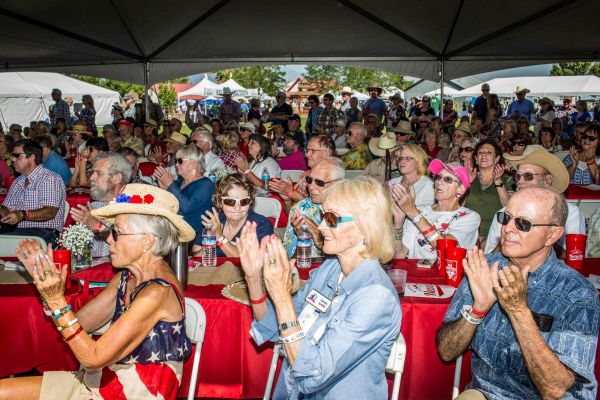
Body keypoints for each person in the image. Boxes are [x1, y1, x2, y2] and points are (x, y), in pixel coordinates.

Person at [0, 184, 195, 399]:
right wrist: (50, 294)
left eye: (116, 232)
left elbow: (93, 358)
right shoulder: (126, 277)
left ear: (147, 242)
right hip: (100, 382)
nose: (109, 239)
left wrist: (57, 301)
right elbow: (81, 324)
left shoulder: (157, 293)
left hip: (132, 392)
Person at [240, 176, 401, 398]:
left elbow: (312, 374)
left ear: (366, 226)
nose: (321, 226)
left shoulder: (375, 296)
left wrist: (282, 296)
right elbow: (275, 327)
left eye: (331, 218)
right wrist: (253, 278)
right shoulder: (331, 269)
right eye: (323, 216)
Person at [437, 186, 598, 400]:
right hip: (485, 394)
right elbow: (446, 352)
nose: (508, 229)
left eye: (523, 223)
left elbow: (556, 390)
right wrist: (478, 309)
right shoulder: (485, 269)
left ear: (552, 235)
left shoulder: (576, 293)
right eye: (506, 218)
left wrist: (518, 310)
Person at [485, 145, 585, 255]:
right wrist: (506, 240)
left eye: (528, 176)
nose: (520, 181)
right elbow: (489, 258)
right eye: (518, 176)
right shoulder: (503, 215)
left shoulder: (570, 212)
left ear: (548, 180)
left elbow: (573, 255)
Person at [390, 160, 480, 261]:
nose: (439, 182)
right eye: (438, 177)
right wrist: (398, 222)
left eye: (447, 179)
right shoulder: (420, 210)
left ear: (461, 189)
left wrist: (415, 214)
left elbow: (447, 249)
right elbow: (399, 256)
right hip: (416, 274)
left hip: (446, 275)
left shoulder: (470, 217)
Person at [0, 140, 66, 244]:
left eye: (17, 155)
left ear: (32, 157)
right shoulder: (18, 181)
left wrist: (22, 215)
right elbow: (6, 207)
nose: (12, 159)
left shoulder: (49, 178)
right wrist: (5, 213)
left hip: (45, 232)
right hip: (19, 230)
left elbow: (50, 212)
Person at [193, 173, 273, 257]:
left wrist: (219, 238)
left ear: (250, 202)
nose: (237, 208)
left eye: (244, 201)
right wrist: (209, 243)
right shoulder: (213, 221)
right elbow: (195, 256)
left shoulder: (261, 224)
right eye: (230, 201)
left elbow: (251, 260)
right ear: (220, 202)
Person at [70, 152, 132, 258]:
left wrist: (96, 226)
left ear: (116, 178)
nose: (91, 178)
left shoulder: (132, 208)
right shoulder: (93, 207)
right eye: (93, 172)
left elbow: (128, 244)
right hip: (91, 270)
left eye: (98, 173)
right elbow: (76, 252)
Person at [282, 157, 344, 259]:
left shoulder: (350, 212)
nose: (311, 187)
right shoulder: (301, 208)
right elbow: (291, 260)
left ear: (338, 183)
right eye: (309, 180)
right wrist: (301, 239)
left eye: (319, 182)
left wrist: (320, 241)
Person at [154, 145, 215, 236]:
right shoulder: (179, 182)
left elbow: (187, 207)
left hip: (195, 237)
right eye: (175, 161)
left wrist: (170, 185)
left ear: (194, 164)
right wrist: (164, 190)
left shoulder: (206, 184)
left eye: (180, 161)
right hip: (174, 232)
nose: (176, 164)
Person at [271, 135, 336, 211]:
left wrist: (292, 193)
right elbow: (292, 213)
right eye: (307, 150)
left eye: (312, 151)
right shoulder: (306, 175)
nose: (307, 155)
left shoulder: (332, 179)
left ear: (326, 154)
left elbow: (320, 214)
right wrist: (287, 200)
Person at [464, 139, 510, 245]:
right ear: (476, 158)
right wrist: (467, 183)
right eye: (480, 152)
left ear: (496, 159)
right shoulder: (469, 178)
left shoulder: (507, 180)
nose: (484, 155)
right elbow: (457, 207)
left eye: (489, 152)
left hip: (495, 235)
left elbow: (509, 208)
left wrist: (498, 181)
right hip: (469, 233)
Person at [388, 144, 435, 208]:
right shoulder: (392, 183)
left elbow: (427, 215)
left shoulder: (428, 185)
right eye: (401, 158)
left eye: (407, 158)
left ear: (418, 161)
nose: (402, 161)